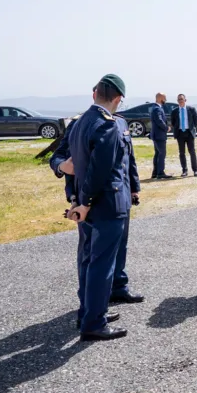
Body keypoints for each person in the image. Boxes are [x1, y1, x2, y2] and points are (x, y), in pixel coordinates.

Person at [65, 74, 139, 341]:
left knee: (88, 260)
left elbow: (76, 168)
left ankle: (89, 312)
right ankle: (94, 322)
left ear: (95, 93)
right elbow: (100, 171)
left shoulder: (80, 122)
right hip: (105, 203)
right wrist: (85, 202)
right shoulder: (107, 125)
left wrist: (78, 200)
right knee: (101, 264)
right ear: (118, 98)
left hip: (89, 204)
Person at [52, 106, 144, 310]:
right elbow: (58, 156)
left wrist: (134, 188)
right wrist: (61, 167)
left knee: (120, 243)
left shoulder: (120, 122)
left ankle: (117, 287)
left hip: (120, 194)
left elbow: (129, 159)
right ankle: (89, 303)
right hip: (89, 198)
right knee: (90, 252)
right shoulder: (81, 124)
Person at [171, 94, 197, 177]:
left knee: (192, 152)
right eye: (179, 99)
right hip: (180, 133)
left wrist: (191, 128)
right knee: (182, 153)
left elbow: (196, 121)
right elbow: (173, 122)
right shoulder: (175, 111)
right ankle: (184, 170)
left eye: (182, 99)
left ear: (185, 100)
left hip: (189, 133)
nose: (180, 101)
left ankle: (195, 170)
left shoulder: (191, 109)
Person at [149, 93, 171, 179]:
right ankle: (160, 172)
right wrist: (166, 128)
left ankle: (155, 173)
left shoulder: (156, 108)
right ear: (160, 98)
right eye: (164, 98)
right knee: (162, 153)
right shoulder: (157, 109)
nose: (165, 100)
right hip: (159, 135)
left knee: (158, 154)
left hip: (156, 135)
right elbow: (159, 120)